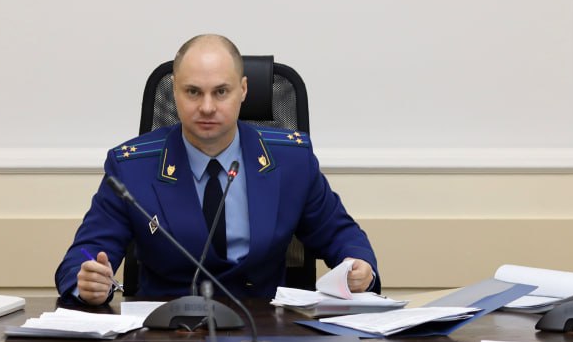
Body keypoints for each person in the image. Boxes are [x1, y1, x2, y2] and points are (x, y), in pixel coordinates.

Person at [56, 34, 379, 303]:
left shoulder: (291, 160)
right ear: (175, 92)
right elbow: (85, 253)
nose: (207, 107)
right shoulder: (132, 167)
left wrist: (359, 266)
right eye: (193, 92)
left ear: (243, 90)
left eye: (221, 92)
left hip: (266, 329)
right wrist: (88, 279)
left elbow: (341, 235)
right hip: (167, 333)